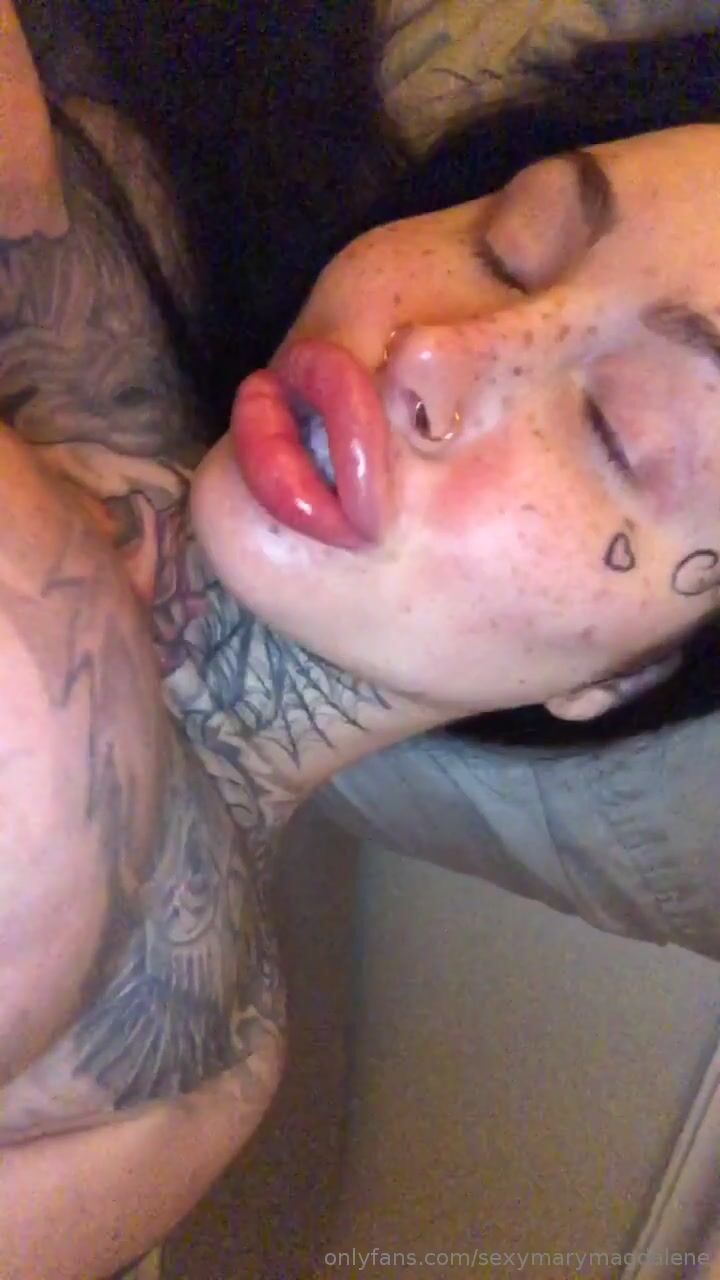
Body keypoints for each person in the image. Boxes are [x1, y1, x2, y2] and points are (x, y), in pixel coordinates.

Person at [2, 1, 720, 1275]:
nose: (440, 347)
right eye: (510, 243)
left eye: (620, 430)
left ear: (622, 676)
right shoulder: (101, 197)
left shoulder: (192, 1074)